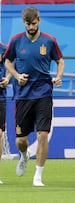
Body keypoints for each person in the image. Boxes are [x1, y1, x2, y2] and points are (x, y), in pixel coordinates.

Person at [3, 7, 64, 187]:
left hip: (44, 93)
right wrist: (16, 76)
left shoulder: (49, 41)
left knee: (43, 135)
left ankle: (38, 176)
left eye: (34, 23)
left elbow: (60, 61)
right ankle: (24, 155)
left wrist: (59, 76)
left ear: (39, 20)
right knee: (21, 140)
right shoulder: (16, 41)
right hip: (23, 95)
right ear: (24, 23)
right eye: (28, 24)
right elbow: (7, 61)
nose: (31, 27)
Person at [0, 42, 11, 184]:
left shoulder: (5, 48)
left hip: (0, 97)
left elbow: (11, 66)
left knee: (0, 134)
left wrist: (7, 78)